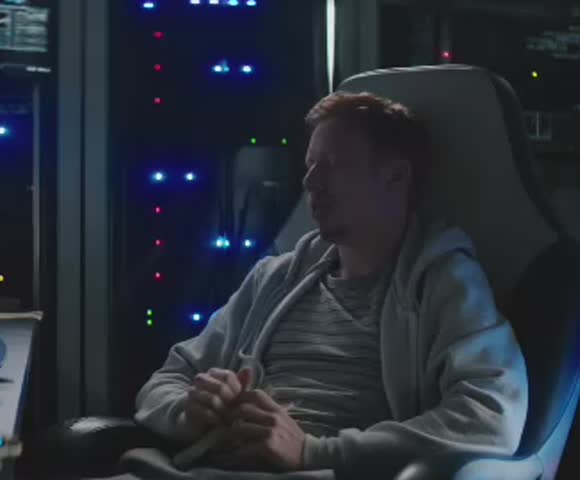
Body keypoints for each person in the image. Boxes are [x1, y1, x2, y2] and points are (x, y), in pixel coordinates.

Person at [123, 92, 528, 479]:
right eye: (310, 165)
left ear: (396, 176)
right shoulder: (275, 278)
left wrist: (310, 452)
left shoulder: (442, 282)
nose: (311, 182)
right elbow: (165, 381)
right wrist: (188, 411)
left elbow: (490, 415)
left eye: (334, 164)